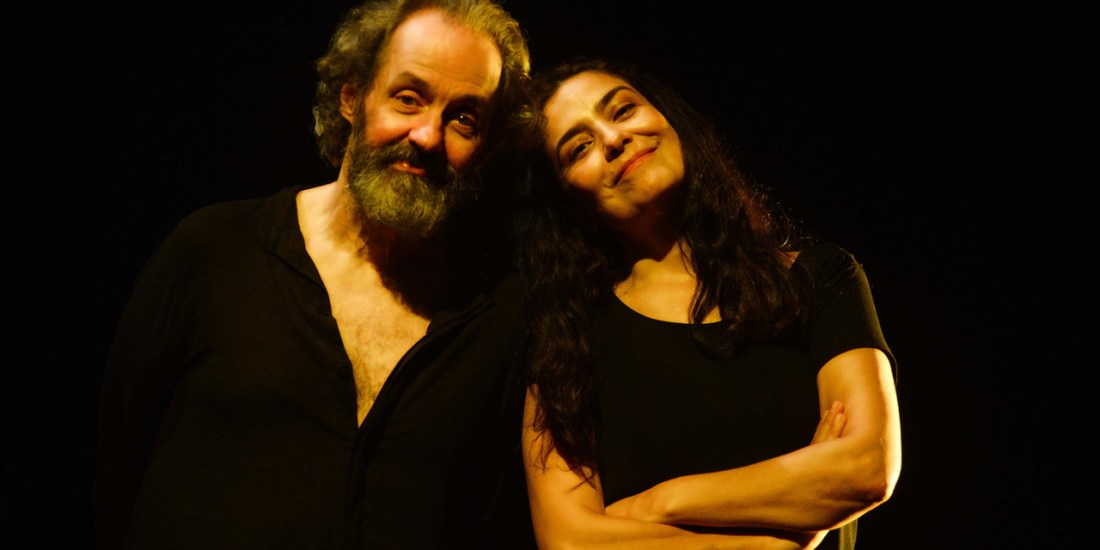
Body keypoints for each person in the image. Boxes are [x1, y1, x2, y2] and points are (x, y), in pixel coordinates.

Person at [94, 1, 537, 548]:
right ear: (352, 97)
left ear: (487, 147)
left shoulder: (499, 318)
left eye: (464, 118)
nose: (427, 135)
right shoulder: (214, 249)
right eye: (408, 98)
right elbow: (115, 469)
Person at [515, 56, 902, 549]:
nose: (613, 139)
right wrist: (774, 542)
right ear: (572, 204)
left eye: (623, 110)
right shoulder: (566, 341)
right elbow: (570, 542)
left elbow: (867, 466)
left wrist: (660, 503)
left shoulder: (818, 277)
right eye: (580, 147)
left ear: (670, 121)